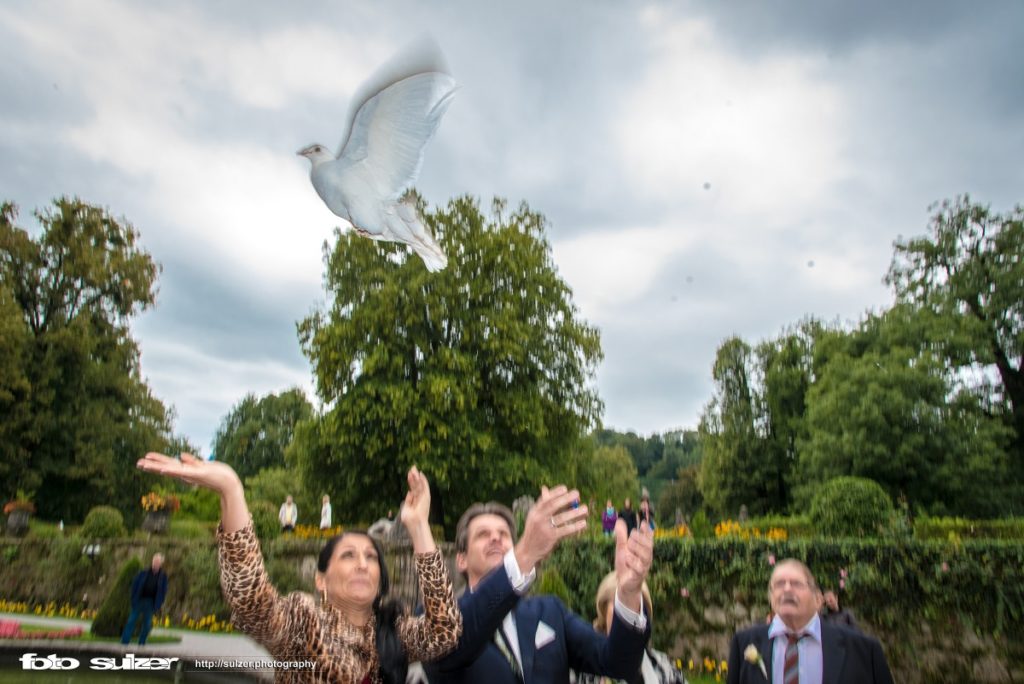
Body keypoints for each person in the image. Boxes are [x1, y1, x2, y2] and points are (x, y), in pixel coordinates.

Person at [137, 452, 461, 683]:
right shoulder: (303, 622)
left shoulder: (394, 630)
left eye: (371, 557)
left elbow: (445, 632)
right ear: (320, 580)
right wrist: (232, 489)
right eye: (348, 555)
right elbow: (252, 605)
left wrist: (419, 527)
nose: (363, 563)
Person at [426, 485, 654, 684]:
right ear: (461, 559)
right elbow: (453, 643)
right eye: (483, 535)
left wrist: (628, 594)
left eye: (504, 534)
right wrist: (525, 555)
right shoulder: (436, 619)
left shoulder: (550, 611)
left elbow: (617, 664)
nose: (495, 538)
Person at [726, 559, 893, 684]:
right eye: (778, 584)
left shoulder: (862, 649)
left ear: (816, 598)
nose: (787, 589)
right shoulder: (744, 643)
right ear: (770, 597)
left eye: (796, 584)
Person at [574, 571, 684, 684]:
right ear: (604, 623)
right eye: (617, 623)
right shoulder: (582, 672)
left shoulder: (665, 670)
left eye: (632, 620)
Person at [121, 552, 168, 646]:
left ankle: (142, 641)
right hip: (140, 600)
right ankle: (125, 641)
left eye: (158, 562)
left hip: (150, 602)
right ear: (152, 561)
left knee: (147, 624)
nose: (155, 563)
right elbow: (135, 585)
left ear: (161, 564)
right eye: (154, 561)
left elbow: (163, 591)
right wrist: (133, 598)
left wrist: (160, 602)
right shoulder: (143, 573)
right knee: (131, 620)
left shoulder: (163, 577)